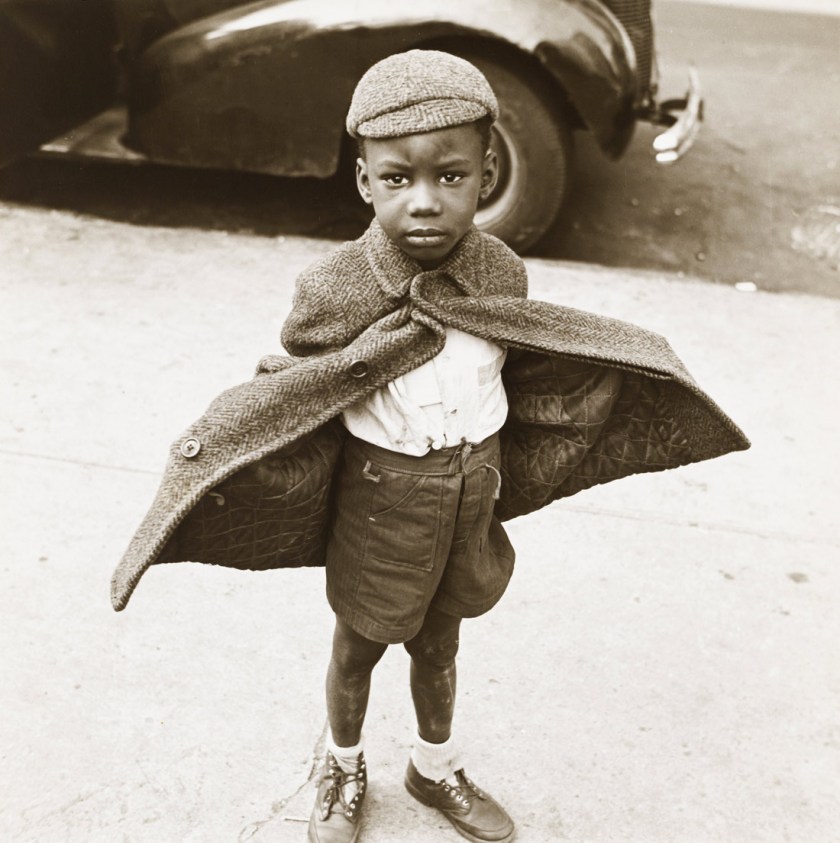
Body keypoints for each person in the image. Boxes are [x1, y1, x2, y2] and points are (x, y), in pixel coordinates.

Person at [281, 50, 521, 843]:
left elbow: (531, 363)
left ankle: (434, 764)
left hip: (469, 493)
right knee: (358, 645)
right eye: (397, 179)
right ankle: (342, 762)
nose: (423, 203)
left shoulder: (502, 276)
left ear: (486, 175)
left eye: (450, 177)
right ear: (364, 181)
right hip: (380, 499)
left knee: (441, 640)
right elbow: (296, 384)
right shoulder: (336, 288)